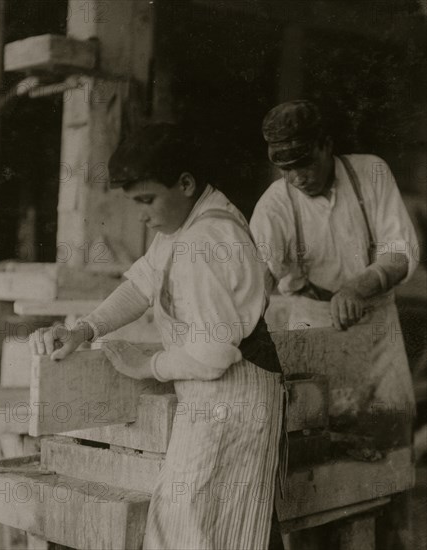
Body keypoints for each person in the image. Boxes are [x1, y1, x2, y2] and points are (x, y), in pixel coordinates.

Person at [30, 123, 286, 550]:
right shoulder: (186, 224)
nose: (142, 216)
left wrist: (146, 364)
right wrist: (84, 329)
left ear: (185, 183)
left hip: (231, 400)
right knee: (198, 529)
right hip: (212, 395)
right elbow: (140, 285)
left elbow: (212, 355)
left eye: (147, 200)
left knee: (192, 532)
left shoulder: (207, 240)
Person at [250, 99, 419, 549]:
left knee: (388, 451)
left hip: (376, 327)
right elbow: (256, 283)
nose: (297, 177)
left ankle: (396, 540)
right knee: (317, 462)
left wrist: (360, 287)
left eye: (304, 163)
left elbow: (400, 250)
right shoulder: (274, 207)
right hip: (311, 328)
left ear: (327, 145)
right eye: (285, 169)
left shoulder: (371, 173)